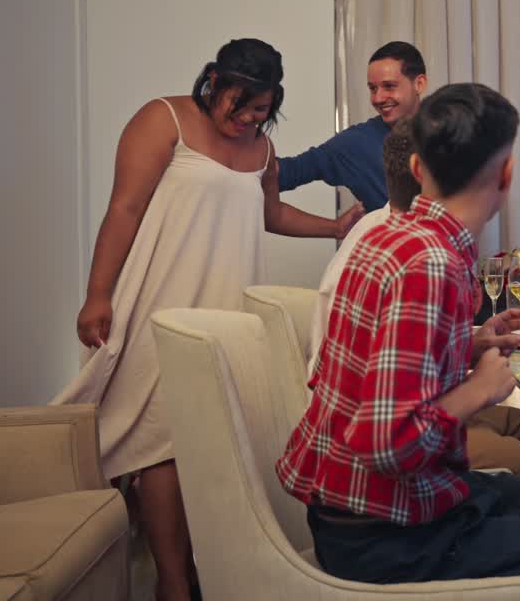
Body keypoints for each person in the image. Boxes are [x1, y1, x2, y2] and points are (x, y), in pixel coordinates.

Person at [277, 83, 520, 600]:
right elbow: (386, 445)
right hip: (389, 535)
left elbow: (384, 360)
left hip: (345, 509)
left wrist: (469, 343)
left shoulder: (388, 236)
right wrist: (480, 389)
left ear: (417, 168)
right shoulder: (431, 263)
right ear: (506, 175)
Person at [58, 38, 363, 601]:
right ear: (214, 83)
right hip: (160, 299)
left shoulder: (262, 148)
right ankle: (173, 583)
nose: (247, 119)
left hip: (224, 306)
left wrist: (333, 228)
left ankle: (197, 570)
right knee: (160, 439)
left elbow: (270, 213)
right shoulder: (163, 119)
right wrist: (97, 294)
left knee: (208, 436)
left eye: (260, 110)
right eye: (239, 105)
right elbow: (124, 208)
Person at [306, 114, 520, 505]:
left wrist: (471, 346)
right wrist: (479, 389)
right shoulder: (418, 259)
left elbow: (400, 358)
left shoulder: (401, 237)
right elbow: (387, 434)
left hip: (417, 418)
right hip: (388, 468)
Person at [276, 40, 428, 212]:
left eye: (389, 86)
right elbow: (287, 173)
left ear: (419, 84)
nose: (378, 98)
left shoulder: (448, 132)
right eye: (373, 88)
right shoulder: (356, 144)